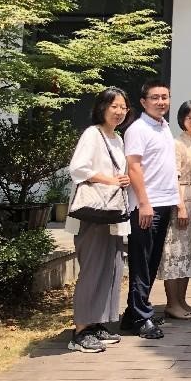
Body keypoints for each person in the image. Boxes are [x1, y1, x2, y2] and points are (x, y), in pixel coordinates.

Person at [66, 87, 132, 352]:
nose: (119, 111)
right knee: (92, 270)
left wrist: (121, 180)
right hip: (93, 214)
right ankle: (80, 331)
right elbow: (78, 169)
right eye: (114, 106)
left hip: (112, 213)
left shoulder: (118, 138)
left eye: (123, 107)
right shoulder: (92, 134)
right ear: (102, 107)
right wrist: (111, 180)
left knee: (111, 268)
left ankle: (96, 323)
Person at [121, 79, 180, 339]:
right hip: (146, 206)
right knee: (141, 262)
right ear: (143, 102)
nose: (160, 102)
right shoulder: (138, 129)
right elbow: (133, 167)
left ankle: (133, 313)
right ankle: (141, 317)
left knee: (152, 261)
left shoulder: (164, 126)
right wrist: (144, 203)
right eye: (155, 98)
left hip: (163, 204)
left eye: (164, 97)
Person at [157, 100, 191, 319]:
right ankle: (171, 303)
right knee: (174, 252)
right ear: (182, 120)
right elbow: (173, 176)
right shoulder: (177, 143)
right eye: (189, 117)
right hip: (182, 197)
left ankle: (182, 301)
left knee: (188, 253)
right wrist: (180, 206)